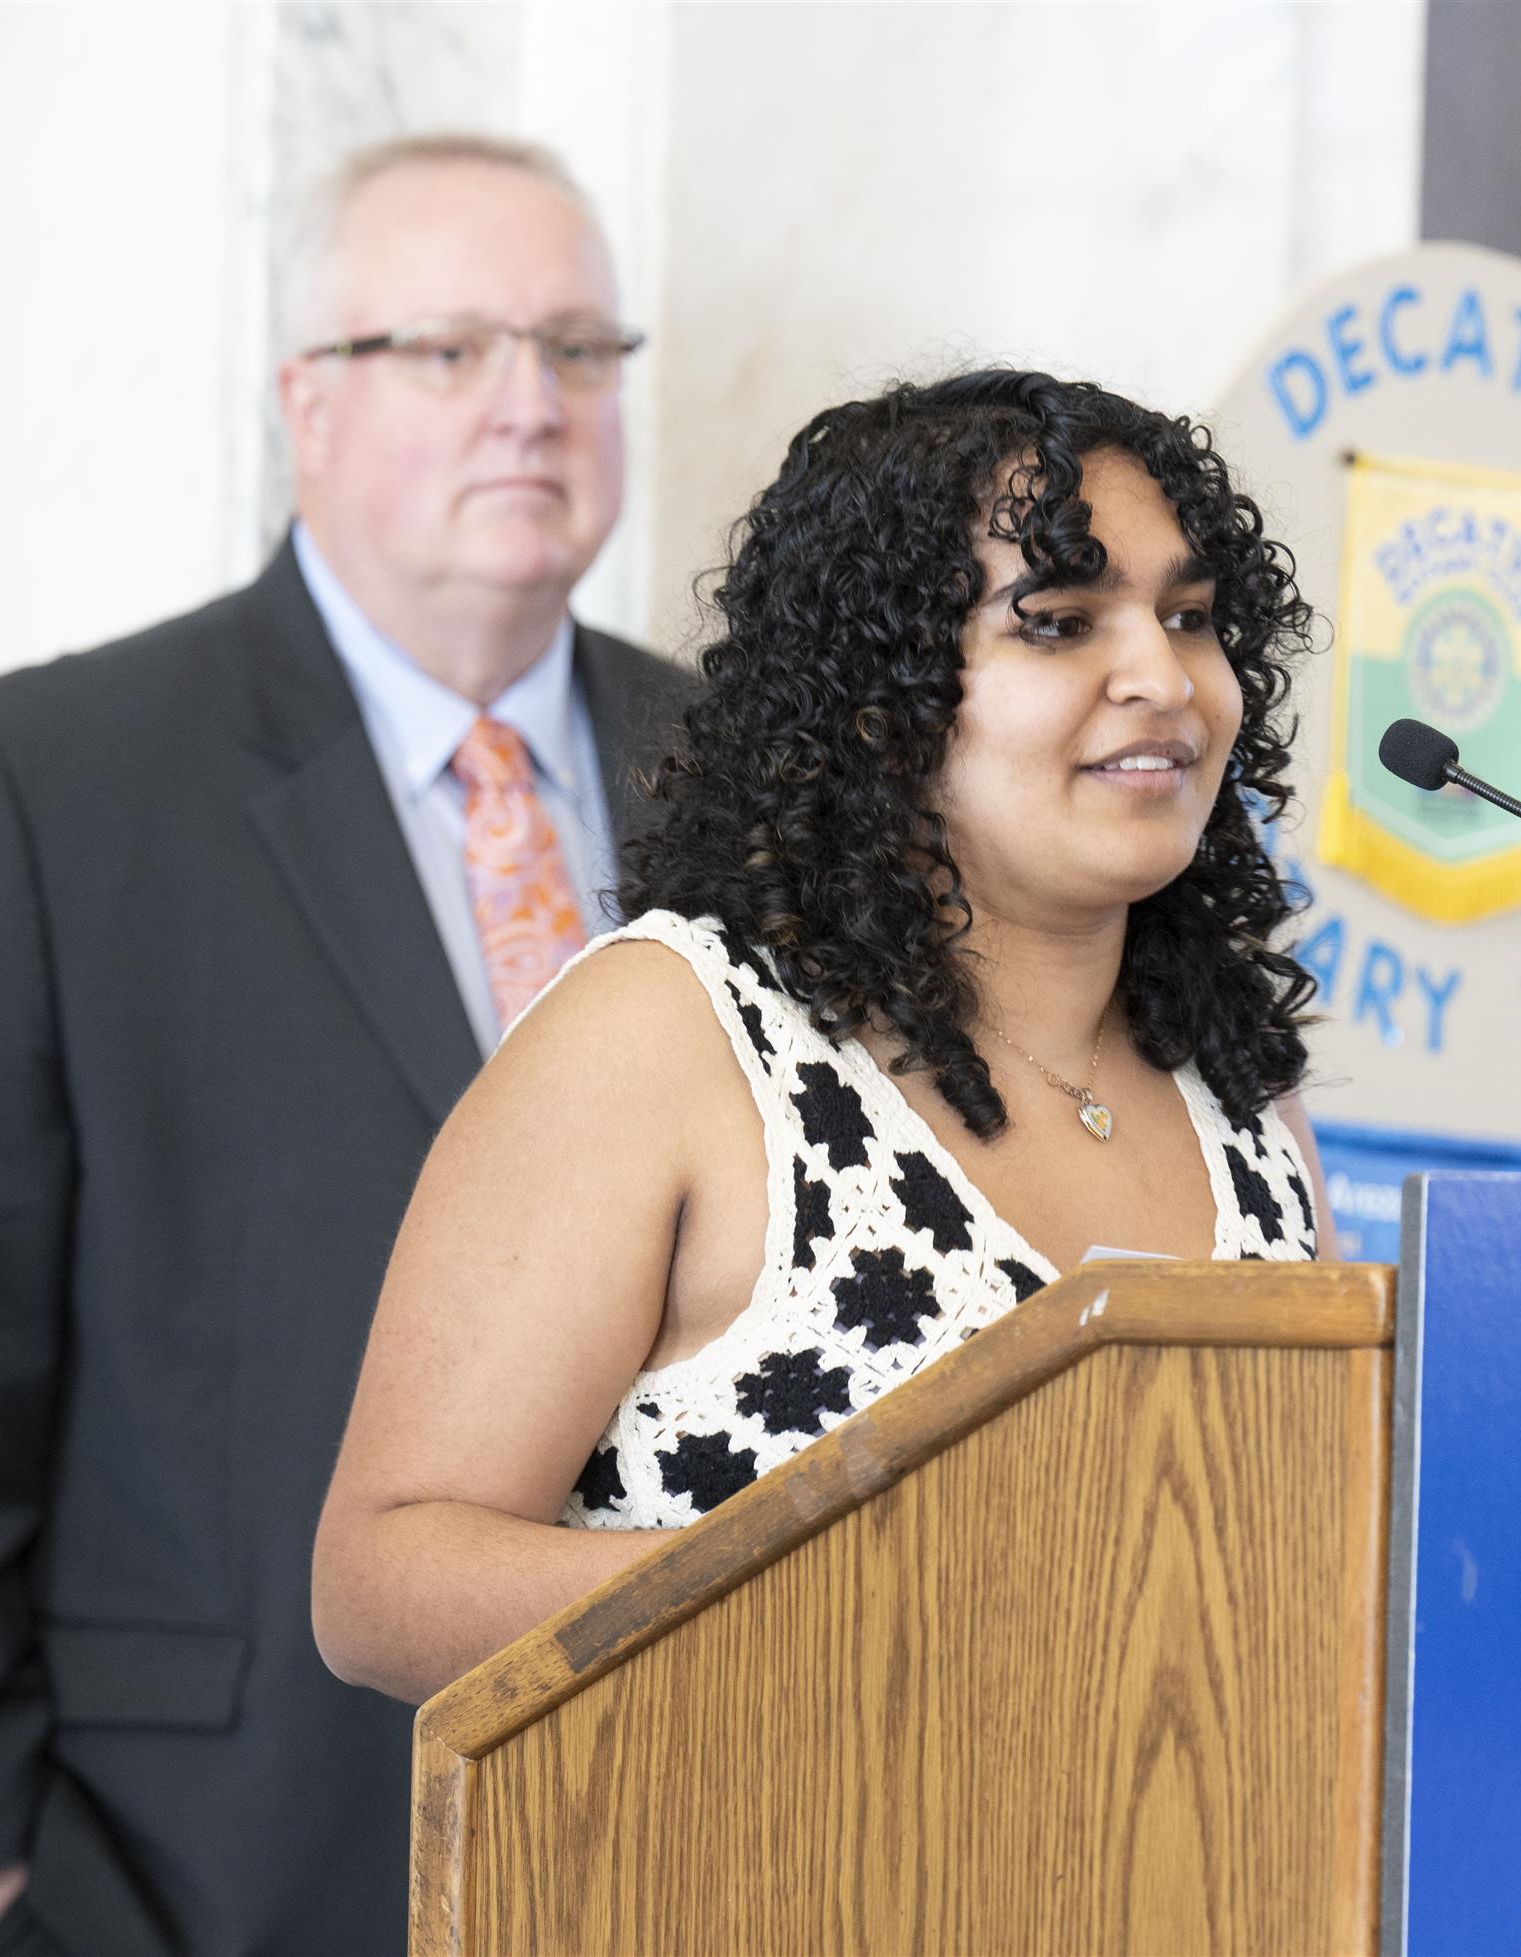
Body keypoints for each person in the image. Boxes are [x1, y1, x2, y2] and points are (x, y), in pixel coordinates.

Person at [0, 134, 686, 1957]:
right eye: (451, 348)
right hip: (191, 1859)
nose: (531, 404)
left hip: (679, 1823)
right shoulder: (35, 788)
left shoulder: (753, 784)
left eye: (579, 349)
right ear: (303, 402)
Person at [312, 368, 1337, 1707]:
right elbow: (382, 1584)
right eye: (1058, 623)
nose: (1163, 678)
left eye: (1190, 618)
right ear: (879, 696)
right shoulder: (675, 1034)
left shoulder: (1238, 1088)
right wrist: (877, 1600)